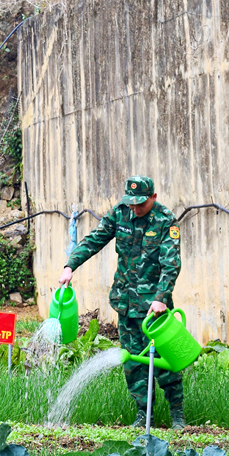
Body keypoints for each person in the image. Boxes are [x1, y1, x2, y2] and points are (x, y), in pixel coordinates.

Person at [58, 176, 184, 429]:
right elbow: (95, 239)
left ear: (153, 198)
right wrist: (70, 266)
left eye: (140, 204)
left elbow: (170, 264)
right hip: (126, 304)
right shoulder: (120, 213)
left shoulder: (165, 220)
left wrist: (161, 298)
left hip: (153, 310)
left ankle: (177, 415)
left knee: (165, 362)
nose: (135, 209)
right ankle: (143, 414)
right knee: (133, 362)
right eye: (131, 203)